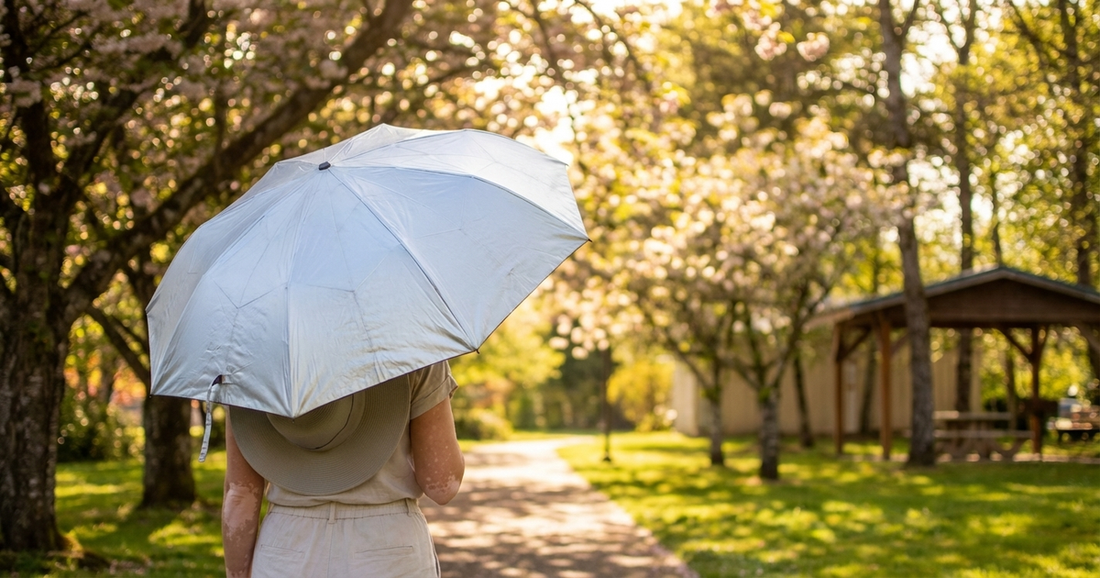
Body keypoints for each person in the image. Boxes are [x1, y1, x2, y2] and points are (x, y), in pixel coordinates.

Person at [221, 361, 464, 577]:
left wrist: (238, 574)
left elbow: (240, 494)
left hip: (286, 546)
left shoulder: (247, 358)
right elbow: (443, 484)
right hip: (390, 546)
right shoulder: (416, 350)